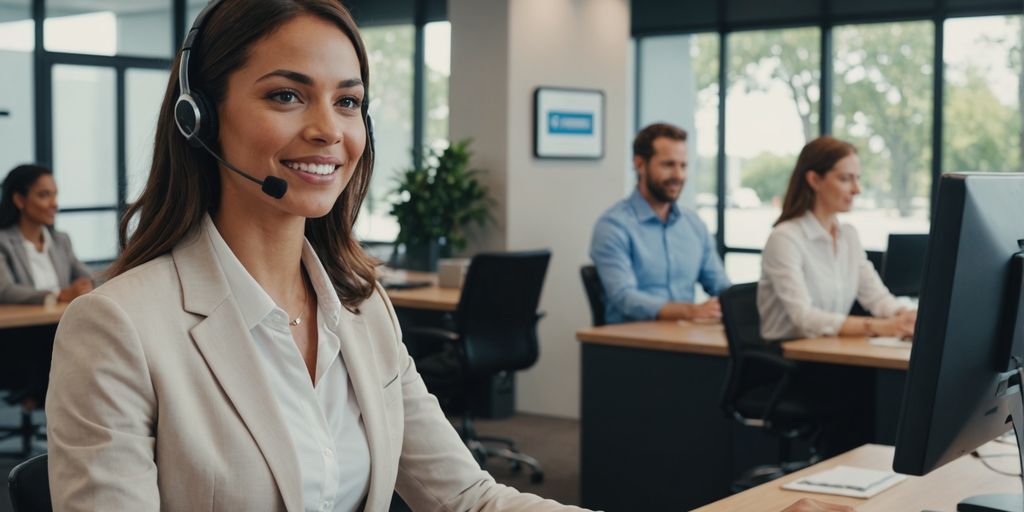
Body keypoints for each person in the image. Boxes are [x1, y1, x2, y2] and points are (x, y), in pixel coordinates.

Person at [44, 2, 853, 511]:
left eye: (349, 100)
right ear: (198, 116)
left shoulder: (360, 312)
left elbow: (464, 497)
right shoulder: (118, 327)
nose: (330, 129)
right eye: (287, 94)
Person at [758, 136, 917, 341]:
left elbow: (876, 297)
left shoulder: (848, 236)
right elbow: (803, 317)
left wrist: (905, 314)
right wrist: (879, 326)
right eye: (845, 179)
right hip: (789, 357)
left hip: (828, 350)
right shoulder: (785, 238)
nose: (856, 189)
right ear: (815, 180)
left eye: (857, 178)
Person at [590, 122, 730, 324]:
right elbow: (624, 298)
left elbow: (720, 286)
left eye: (683, 165)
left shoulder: (693, 224)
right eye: (668, 165)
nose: (679, 176)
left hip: (685, 337)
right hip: (630, 343)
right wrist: (690, 311)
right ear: (639, 164)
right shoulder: (613, 226)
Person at [0, 164, 93, 305]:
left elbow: (87, 276)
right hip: (24, 325)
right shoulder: (3, 242)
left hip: (62, 319)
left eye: (55, 194)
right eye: (44, 195)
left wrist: (87, 285)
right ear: (19, 200)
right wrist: (58, 295)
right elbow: (5, 290)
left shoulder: (61, 240)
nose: (54, 203)